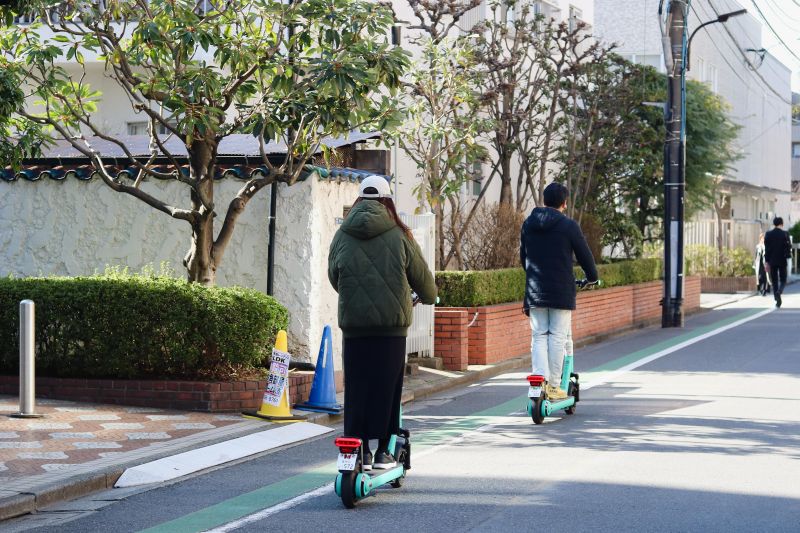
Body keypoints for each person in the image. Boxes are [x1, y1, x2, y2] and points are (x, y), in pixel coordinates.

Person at [328, 175, 436, 471]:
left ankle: (357, 448)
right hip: (391, 328)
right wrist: (429, 296)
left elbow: (334, 275)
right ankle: (383, 453)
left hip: (354, 326)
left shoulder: (343, 233)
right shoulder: (400, 233)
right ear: (388, 200)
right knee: (387, 388)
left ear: (359, 200)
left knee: (357, 387)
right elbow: (423, 281)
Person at [520, 182, 598, 400]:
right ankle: (553, 386)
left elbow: (523, 259)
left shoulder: (528, 224)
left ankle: (538, 380)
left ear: (544, 201)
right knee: (557, 337)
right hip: (561, 291)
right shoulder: (568, 226)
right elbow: (585, 256)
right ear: (564, 203)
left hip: (535, 290)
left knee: (538, 336)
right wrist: (592, 277)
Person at [764, 216, 791, 308]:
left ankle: (776, 297)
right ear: (781, 224)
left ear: (774, 224)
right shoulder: (785, 234)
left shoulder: (768, 234)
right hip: (782, 260)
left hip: (772, 260)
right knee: (783, 279)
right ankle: (779, 291)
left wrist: (767, 261)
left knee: (774, 280)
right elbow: (788, 247)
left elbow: (766, 249)